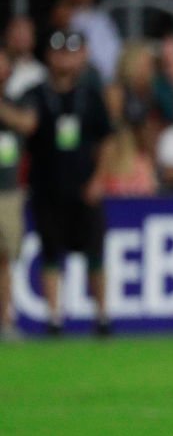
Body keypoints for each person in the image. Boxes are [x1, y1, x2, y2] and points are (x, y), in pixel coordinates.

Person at [17, 30, 113, 336]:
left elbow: (107, 141)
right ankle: (54, 318)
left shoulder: (90, 94)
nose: (65, 59)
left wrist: (99, 179)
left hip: (84, 189)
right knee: (50, 254)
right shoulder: (36, 93)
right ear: (49, 56)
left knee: (95, 255)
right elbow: (27, 123)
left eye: (71, 52)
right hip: (47, 188)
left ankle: (102, 316)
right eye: (59, 52)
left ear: (81, 55)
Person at [0, 50, 28, 339]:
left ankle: (5, 321)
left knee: (5, 257)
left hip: (7, 192)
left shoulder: (17, 101)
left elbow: (27, 123)